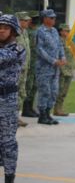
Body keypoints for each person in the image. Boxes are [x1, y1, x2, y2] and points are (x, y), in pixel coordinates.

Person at [0, 14, 26, 183]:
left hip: (7, 102)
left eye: (6, 28)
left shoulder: (17, 50)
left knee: (7, 142)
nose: (1, 30)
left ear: (13, 31)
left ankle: (9, 177)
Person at [35, 9, 66, 125]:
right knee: (45, 91)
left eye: (54, 18)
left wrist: (63, 57)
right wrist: (53, 61)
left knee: (54, 91)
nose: (54, 20)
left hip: (55, 69)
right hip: (44, 68)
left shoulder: (54, 31)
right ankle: (42, 115)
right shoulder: (40, 31)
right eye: (51, 18)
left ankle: (48, 114)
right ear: (45, 19)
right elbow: (39, 50)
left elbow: (60, 45)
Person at [15, 12, 32, 127]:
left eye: (27, 20)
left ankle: (17, 116)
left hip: (25, 67)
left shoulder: (25, 32)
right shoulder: (14, 33)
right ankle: (12, 117)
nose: (27, 22)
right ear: (19, 21)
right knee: (14, 92)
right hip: (16, 68)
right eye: (25, 20)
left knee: (22, 92)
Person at [22, 11, 40, 118]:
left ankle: (30, 107)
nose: (35, 20)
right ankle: (25, 108)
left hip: (36, 63)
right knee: (27, 86)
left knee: (34, 86)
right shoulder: (26, 31)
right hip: (29, 63)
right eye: (34, 18)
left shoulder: (38, 30)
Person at [53, 24, 73, 116]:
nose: (67, 33)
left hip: (69, 69)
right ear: (60, 31)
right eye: (66, 31)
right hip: (62, 69)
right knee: (60, 90)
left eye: (68, 31)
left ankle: (60, 108)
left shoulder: (68, 41)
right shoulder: (58, 41)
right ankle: (57, 109)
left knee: (65, 91)